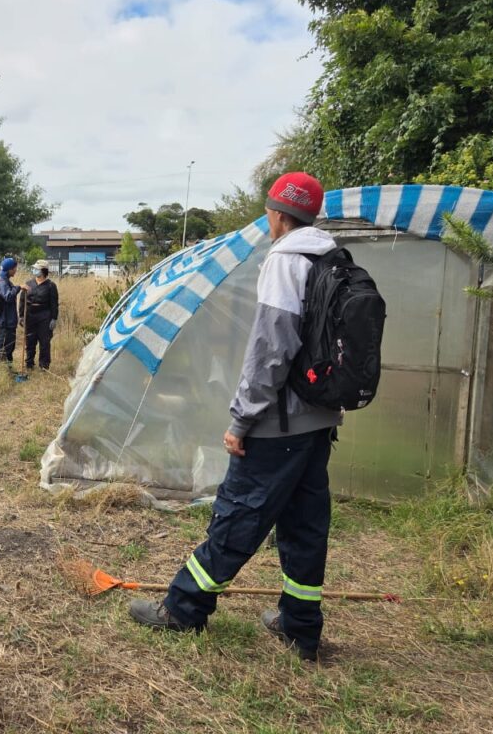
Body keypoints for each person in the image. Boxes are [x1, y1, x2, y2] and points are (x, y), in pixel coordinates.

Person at [128, 172, 341, 662]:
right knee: (306, 526)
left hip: (278, 424)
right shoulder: (333, 258)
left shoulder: (286, 260)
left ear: (278, 215)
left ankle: (184, 608)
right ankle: (300, 627)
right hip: (319, 421)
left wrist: (242, 420)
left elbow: (270, 351)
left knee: (239, 514)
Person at [19, 259, 59, 372]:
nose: (34, 270)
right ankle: (29, 364)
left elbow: (54, 304)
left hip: (44, 316)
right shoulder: (28, 283)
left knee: (44, 342)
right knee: (30, 340)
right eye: (34, 268)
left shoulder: (51, 286)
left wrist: (54, 318)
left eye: (37, 269)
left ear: (43, 270)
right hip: (30, 315)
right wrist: (21, 316)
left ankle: (44, 365)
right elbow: (22, 301)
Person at [0, 257, 27, 364]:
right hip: (5, 322)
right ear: (10, 269)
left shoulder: (5, 281)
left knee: (9, 348)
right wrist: (19, 287)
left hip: (8, 322)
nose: (16, 270)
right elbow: (8, 296)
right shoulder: (2, 283)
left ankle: (9, 368)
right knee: (2, 348)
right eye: (15, 268)